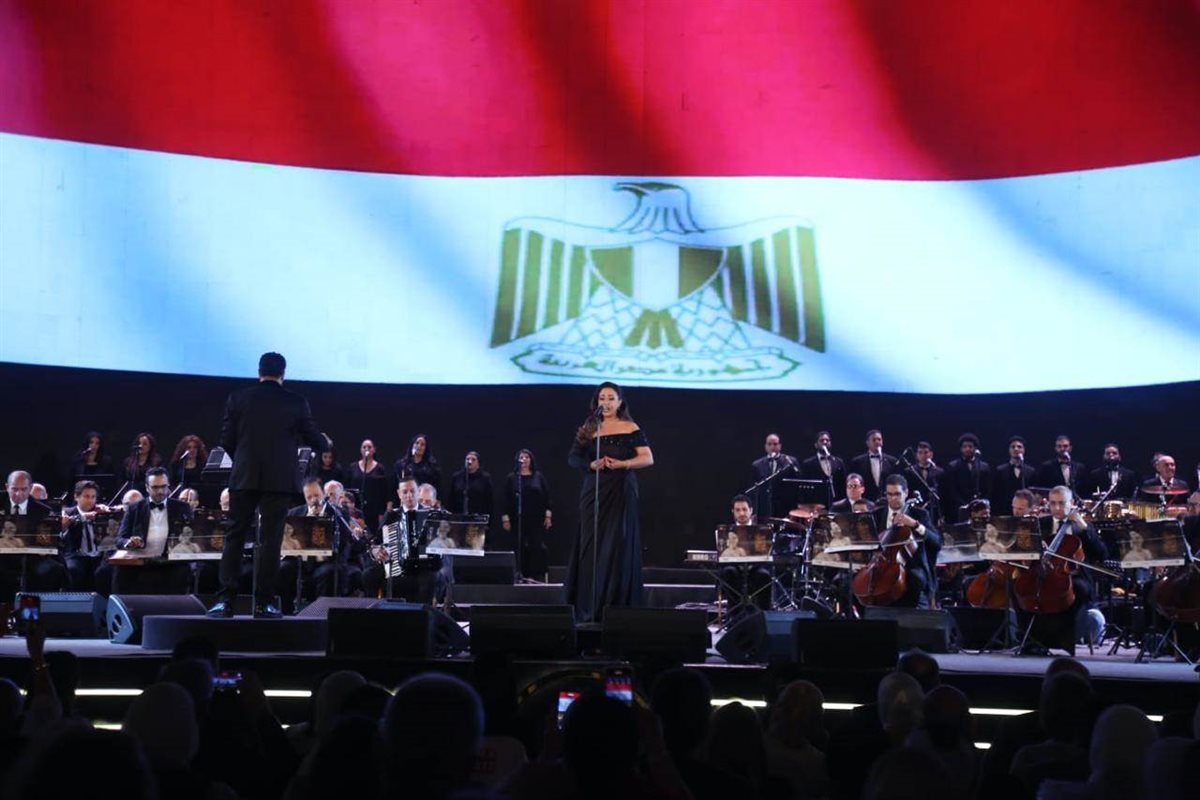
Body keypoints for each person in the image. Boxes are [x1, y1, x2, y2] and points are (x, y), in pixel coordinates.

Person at [207, 352, 328, 619]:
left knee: (235, 536)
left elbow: (226, 439)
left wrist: (244, 459)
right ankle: (263, 604)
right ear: (283, 373)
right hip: (278, 480)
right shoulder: (296, 401)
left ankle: (225, 601)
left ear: (259, 371)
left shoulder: (238, 398)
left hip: (244, 476)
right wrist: (324, 443)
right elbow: (314, 438)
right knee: (270, 541)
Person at [566, 381, 653, 623]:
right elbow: (573, 458)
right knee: (591, 544)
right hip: (594, 490)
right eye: (602, 398)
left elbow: (647, 458)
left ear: (620, 402)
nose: (606, 402)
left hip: (621, 489)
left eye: (611, 398)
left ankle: (615, 606)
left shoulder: (630, 427)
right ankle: (589, 606)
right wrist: (590, 464)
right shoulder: (589, 427)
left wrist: (623, 464)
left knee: (617, 544)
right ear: (596, 402)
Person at [1017, 486, 1110, 654]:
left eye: (1061, 503)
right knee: (1019, 587)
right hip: (1044, 573)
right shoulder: (1041, 524)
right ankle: (1030, 640)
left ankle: (1065, 641)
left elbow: (1101, 554)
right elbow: (1025, 549)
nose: (1057, 508)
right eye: (1053, 503)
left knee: (1076, 589)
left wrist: (1084, 527)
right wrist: (1035, 547)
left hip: (1075, 576)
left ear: (1071, 503)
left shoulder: (1081, 526)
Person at [114, 467, 194, 594]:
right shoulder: (134, 508)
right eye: (155, 487)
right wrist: (129, 543)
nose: (160, 491)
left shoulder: (182, 507)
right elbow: (120, 539)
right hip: (141, 562)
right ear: (147, 488)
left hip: (170, 562)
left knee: (183, 571)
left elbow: (191, 536)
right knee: (120, 571)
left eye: (164, 486)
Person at [871, 474, 941, 608]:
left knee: (915, 579)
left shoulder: (920, 514)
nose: (893, 498)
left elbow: (937, 542)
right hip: (882, 566)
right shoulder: (876, 515)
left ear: (906, 493)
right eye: (889, 494)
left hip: (912, 566)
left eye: (897, 494)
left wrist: (915, 525)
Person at [0, 470, 65, 597]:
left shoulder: (43, 510)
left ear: (30, 488)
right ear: (7, 487)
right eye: (14, 489)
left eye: (24, 489)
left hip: (32, 557)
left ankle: (35, 607)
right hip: (2, 556)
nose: (19, 494)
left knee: (52, 569)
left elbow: (50, 541)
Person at [502, 448, 553, 581]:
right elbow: (506, 499)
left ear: (531, 460)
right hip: (517, 518)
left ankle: (534, 575)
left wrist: (548, 516)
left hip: (536, 518)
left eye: (526, 457)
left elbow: (546, 497)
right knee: (518, 545)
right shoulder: (512, 478)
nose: (524, 459)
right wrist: (505, 519)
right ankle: (519, 573)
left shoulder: (538, 476)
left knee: (535, 545)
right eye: (521, 457)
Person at [59, 479, 114, 592]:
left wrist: (110, 514)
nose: (90, 500)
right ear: (76, 497)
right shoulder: (67, 512)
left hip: (99, 555)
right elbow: (61, 530)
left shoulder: (101, 511)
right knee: (72, 569)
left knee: (105, 571)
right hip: (76, 555)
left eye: (93, 497)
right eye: (86, 496)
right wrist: (84, 517)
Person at [940, 433, 992, 521]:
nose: (968, 449)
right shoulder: (953, 466)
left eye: (970, 446)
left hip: (980, 509)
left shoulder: (984, 467)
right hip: (959, 509)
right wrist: (966, 505)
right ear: (961, 449)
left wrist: (980, 503)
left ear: (975, 448)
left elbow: (987, 489)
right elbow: (951, 490)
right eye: (965, 447)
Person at [750, 433, 797, 520]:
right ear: (765, 446)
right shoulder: (757, 465)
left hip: (785, 506)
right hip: (765, 507)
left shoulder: (789, 461)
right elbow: (754, 489)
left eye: (775, 444)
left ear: (780, 446)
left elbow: (796, 485)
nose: (772, 447)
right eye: (769, 444)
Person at [347, 439, 388, 532]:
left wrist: (382, 513)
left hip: (374, 510)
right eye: (364, 447)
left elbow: (384, 492)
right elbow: (348, 489)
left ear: (374, 450)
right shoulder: (353, 467)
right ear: (360, 450)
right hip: (356, 509)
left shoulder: (380, 468)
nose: (367, 449)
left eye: (369, 447)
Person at [849, 429, 899, 501]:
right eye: (874, 440)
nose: (877, 442)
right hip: (865, 501)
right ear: (867, 443)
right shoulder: (857, 462)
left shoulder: (892, 461)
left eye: (879, 439)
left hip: (887, 501)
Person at [902, 441, 944, 525]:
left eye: (926, 452)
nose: (923, 455)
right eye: (920, 453)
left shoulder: (939, 472)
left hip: (934, 509)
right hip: (916, 508)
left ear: (931, 454)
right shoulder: (909, 471)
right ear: (917, 455)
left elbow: (943, 493)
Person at [799, 430, 846, 503]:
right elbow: (804, 486)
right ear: (816, 445)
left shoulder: (839, 462)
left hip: (836, 502)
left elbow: (843, 484)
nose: (825, 442)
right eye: (821, 440)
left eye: (827, 440)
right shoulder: (808, 464)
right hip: (816, 502)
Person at [992, 436, 1034, 515]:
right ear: (1009, 450)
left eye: (1019, 447)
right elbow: (995, 495)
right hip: (1004, 512)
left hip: (1025, 513)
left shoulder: (1030, 471)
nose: (1016, 449)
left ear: (1024, 450)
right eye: (1013, 447)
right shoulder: (1000, 471)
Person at [448, 451, 494, 517]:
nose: (469, 461)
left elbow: (489, 500)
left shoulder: (485, 478)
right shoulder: (457, 477)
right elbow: (451, 498)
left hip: (478, 516)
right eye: (467, 459)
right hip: (458, 515)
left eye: (473, 460)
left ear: (478, 463)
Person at [394, 433, 442, 498]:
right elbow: (394, 484)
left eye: (422, 445)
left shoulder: (432, 466)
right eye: (417, 443)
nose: (419, 446)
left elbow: (437, 486)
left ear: (426, 448)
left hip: (425, 499)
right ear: (412, 445)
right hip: (406, 499)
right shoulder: (402, 465)